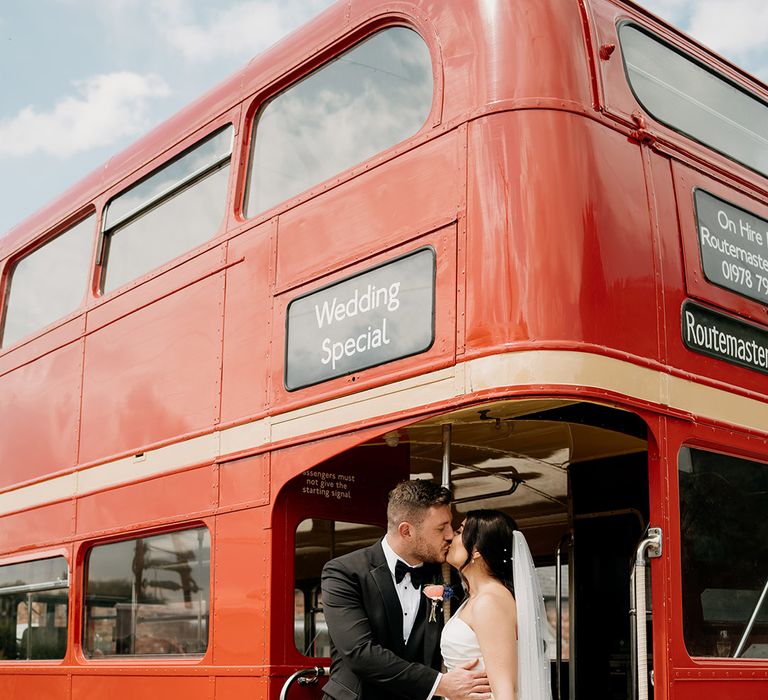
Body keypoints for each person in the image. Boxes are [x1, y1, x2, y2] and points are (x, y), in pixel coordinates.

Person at [321, 480, 492, 700]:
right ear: (406, 531)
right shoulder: (343, 573)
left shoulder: (450, 576)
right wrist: (439, 684)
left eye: (451, 525)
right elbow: (359, 653)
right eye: (441, 528)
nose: (450, 535)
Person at [442, 510, 552, 700]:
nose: (451, 536)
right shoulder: (478, 598)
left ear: (476, 549)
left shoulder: (489, 601)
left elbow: (505, 691)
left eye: (460, 532)